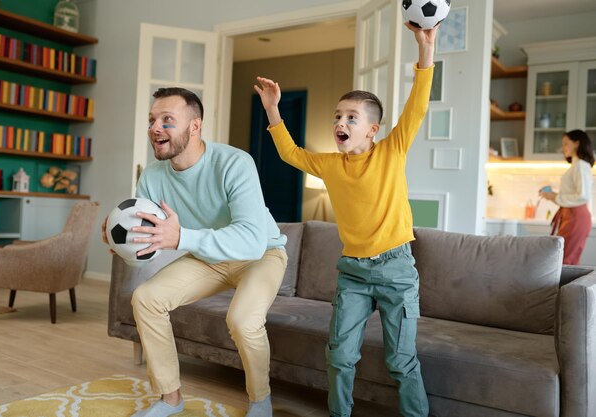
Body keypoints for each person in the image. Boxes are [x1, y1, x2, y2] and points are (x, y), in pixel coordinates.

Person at [254, 22, 438, 417]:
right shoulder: (330, 165)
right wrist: (272, 108)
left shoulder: (392, 151)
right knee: (339, 356)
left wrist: (426, 50)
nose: (341, 122)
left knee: (401, 361)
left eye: (352, 118)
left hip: (396, 269)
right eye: (338, 116)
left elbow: (418, 105)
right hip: (353, 271)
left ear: (372, 130)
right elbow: (290, 153)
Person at [102, 87, 288, 417]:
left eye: (167, 120)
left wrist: (181, 237)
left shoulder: (234, 163)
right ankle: (170, 399)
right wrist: (126, 243)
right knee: (146, 298)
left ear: (194, 126)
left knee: (243, 319)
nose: (155, 128)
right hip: (210, 259)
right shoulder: (153, 176)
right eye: (152, 120)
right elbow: (153, 241)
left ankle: (261, 401)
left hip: (262, 255)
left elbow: (251, 241)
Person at [540, 129, 594, 265]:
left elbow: (582, 195)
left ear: (576, 143)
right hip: (571, 215)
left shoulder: (581, 166)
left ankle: (561, 287)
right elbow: (575, 194)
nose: (562, 148)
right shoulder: (576, 166)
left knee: (564, 259)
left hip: (576, 216)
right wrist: (553, 196)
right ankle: (562, 287)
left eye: (565, 143)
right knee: (564, 258)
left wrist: (555, 197)